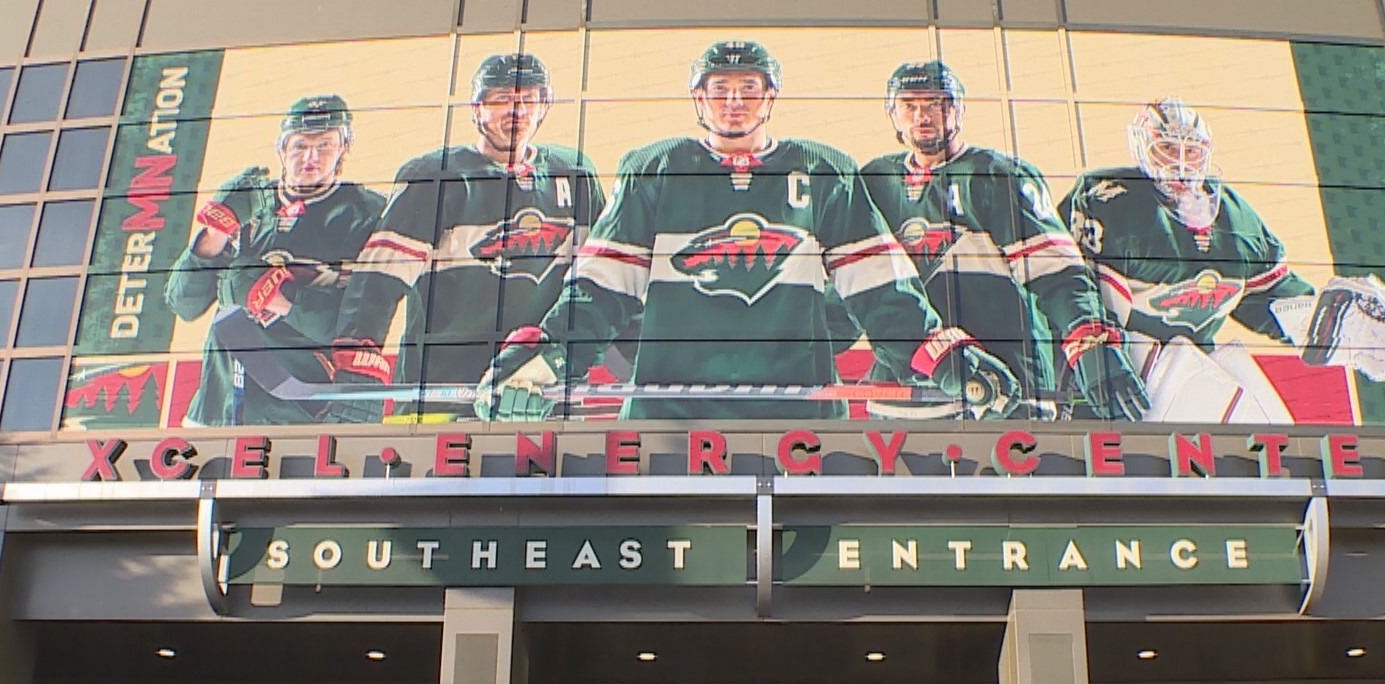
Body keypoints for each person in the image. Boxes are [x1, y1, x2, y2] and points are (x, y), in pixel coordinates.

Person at [477, 40, 1023, 422]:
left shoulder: (824, 170)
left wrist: (945, 354)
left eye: (748, 87)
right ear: (699, 98)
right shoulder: (656, 168)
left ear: (770, 96)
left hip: (799, 416)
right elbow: (599, 288)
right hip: (668, 417)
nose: (734, 100)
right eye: (720, 88)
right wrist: (543, 358)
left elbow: (884, 292)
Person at [1064, 98, 1385, 422]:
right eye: (1169, 148)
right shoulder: (1110, 198)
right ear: (1145, 146)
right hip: (1111, 359)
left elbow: (1270, 298)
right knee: (1220, 409)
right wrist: (1092, 347)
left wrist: (1324, 322)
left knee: (1275, 432)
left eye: (1192, 150)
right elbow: (1066, 286)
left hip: (1191, 358)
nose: (1182, 162)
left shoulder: (1236, 221)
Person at [860, 61, 1145, 421]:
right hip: (907, 395)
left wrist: (1088, 341)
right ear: (893, 114)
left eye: (935, 103)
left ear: (959, 108)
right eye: (909, 106)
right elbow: (856, 285)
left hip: (1007, 386)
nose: (922, 116)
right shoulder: (875, 181)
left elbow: (1056, 272)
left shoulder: (997, 175)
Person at [330, 54, 606, 420]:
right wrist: (357, 362)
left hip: (542, 393)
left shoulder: (575, 174)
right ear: (477, 108)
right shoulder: (435, 176)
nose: (516, 110)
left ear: (544, 105)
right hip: (443, 394)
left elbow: (606, 281)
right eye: (501, 99)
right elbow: (380, 277)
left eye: (528, 99)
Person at [164, 95, 388, 426]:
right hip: (216, 408)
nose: (311, 156)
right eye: (299, 145)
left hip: (295, 411)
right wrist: (216, 231)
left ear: (344, 148)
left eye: (325, 144)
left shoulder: (368, 214)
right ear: (282, 149)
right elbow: (183, 304)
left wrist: (279, 300)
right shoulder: (250, 201)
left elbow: (362, 328)